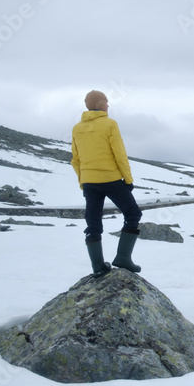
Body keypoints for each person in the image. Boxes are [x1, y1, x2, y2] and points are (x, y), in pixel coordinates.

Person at [70, 90, 142, 276]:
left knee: (93, 222)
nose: (108, 105)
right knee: (132, 214)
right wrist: (128, 179)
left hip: (89, 182)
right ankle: (123, 258)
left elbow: (75, 160)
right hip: (111, 179)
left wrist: (83, 181)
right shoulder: (110, 124)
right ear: (100, 104)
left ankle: (98, 267)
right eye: (106, 102)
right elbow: (119, 154)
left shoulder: (77, 128)